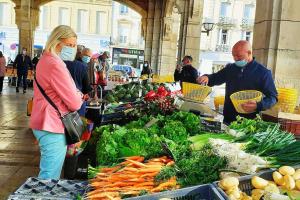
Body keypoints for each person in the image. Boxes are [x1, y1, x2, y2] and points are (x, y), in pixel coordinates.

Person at [30, 25, 83, 180]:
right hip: (52, 124)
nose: (72, 49)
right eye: (70, 45)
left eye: (74, 46)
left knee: (48, 173)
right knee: (49, 177)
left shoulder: (45, 60)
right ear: (57, 42)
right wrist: (77, 95)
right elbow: (74, 103)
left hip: (44, 120)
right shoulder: (55, 64)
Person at [197, 40, 278, 125]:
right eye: (233, 55)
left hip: (249, 123)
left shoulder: (263, 73)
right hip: (228, 120)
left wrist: (259, 105)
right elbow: (215, 78)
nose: (235, 59)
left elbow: (273, 97)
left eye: (239, 56)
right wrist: (207, 77)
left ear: (249, 53)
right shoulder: (230, 68)